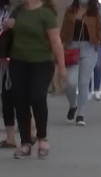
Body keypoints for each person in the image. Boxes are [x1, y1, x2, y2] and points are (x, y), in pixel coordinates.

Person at [4, 0, 65, 158]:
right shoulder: (18, 10)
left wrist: (62, 67)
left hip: (42, 62)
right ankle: (25, 142)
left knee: (37, 97)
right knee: (20, 100)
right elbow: (7, 33)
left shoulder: (46, 13)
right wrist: (7, 25)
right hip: (18, 61)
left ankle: (42, 138)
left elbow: (56, 41)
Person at [60, 0, 101, 127]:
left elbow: (100, 28)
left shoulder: (94, 11)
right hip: (72, 47)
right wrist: (58, 43)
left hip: (89, 48)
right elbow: (64, 30)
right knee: (70, 82)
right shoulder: (70, 10)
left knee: (84, 82)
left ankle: (81, 114)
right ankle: (73, 105)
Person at [1, 0, 17, 148]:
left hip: (13, 58)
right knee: (6, 96)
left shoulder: (17, 11)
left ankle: (31, 132)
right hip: (7, 56)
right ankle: (10, 137)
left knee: (12, 95)